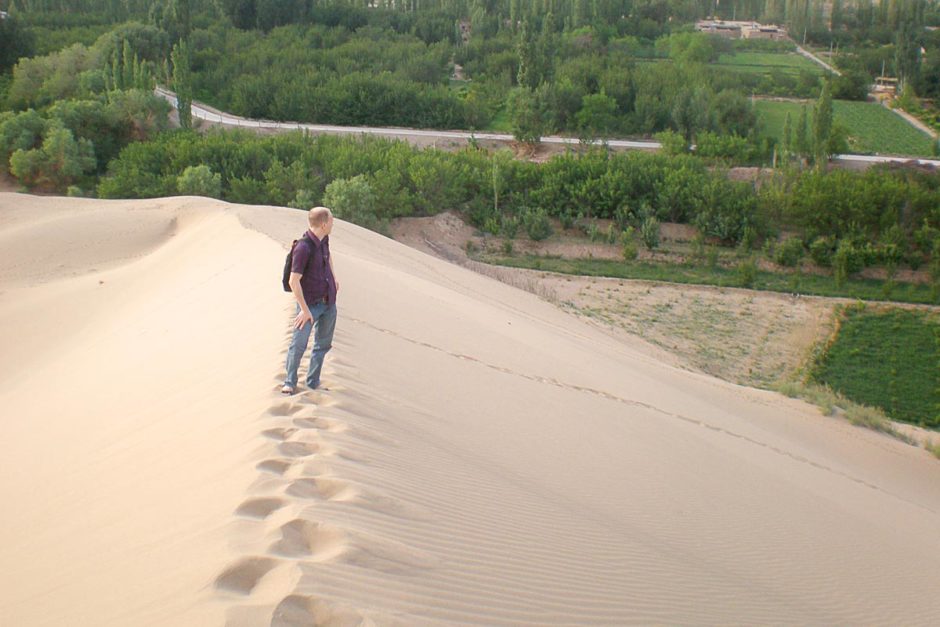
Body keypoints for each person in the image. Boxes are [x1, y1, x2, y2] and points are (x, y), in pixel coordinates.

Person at [282, 206, 339, 395]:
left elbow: (328, 256)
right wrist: (305, 311)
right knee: (298, 344)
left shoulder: (324, 240)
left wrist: (333, 277)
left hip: (328, 302)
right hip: (309, 305)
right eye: (331, 220)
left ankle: (313, 381)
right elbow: (293, 281)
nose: (333, 223)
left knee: (322, 344)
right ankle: (290, 382)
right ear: (323, 224)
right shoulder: (303, 247)